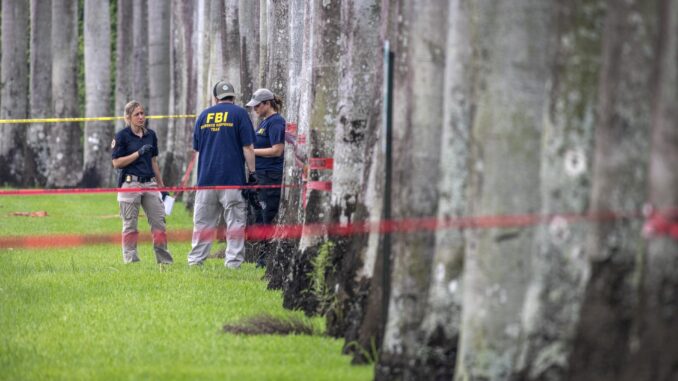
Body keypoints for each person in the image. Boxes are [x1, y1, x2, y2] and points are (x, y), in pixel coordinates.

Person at [187, 80, 257, 268]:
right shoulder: (240, 114)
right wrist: (253, 173)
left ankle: (195, 261)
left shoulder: (203, 116)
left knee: (203, 224)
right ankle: (233, 263)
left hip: (206, 180)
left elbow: (197, 148)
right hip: (233, 180)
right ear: (233, 97)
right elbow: (248, 148)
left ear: (215, 97)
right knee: (235, 223)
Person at [111, 100, 173, 264]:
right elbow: (116, 163)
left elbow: (154, 162)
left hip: (150, 184)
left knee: (159, 223)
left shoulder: (150, 135)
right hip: (130, 184)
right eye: (136, 114)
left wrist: (162, 186)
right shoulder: (122, 136)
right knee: (130, 225)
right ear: (128, 117)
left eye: (142, 113)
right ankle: (131, 260)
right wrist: (138, 153)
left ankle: (164, 260)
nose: (140, 117)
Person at [246, 88, 285, 267]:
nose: (255, 109)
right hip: (261, 175)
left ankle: (264, 257)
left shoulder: (276, 122)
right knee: (259, 215)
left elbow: (277, 150)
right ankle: (260, 255)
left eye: (257, 106)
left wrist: (252, 152)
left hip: (270, 175)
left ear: (267, 104)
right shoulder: (263, 123)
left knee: (266, 214)